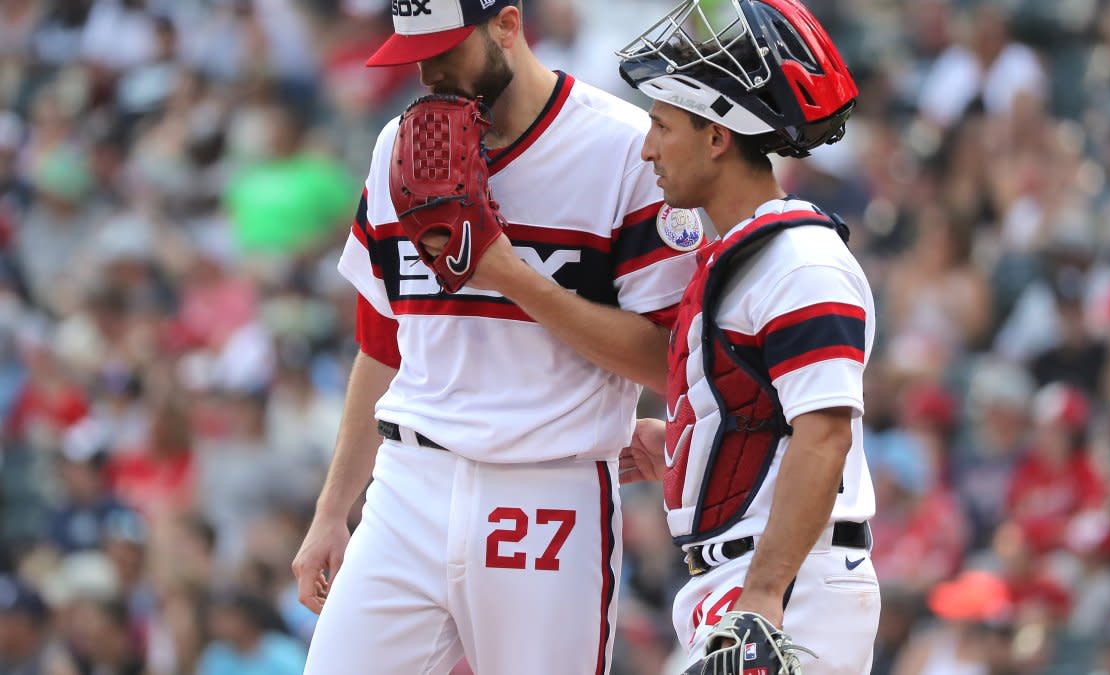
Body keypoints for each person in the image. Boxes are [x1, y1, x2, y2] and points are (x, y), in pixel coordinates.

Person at [291, 1, 702, 673]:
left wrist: (509, 274)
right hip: (406, 483)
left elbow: (669, 360)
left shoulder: (625, 149)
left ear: (507, 26)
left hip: (545, 491)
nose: (428, 73)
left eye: (446, 51)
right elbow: (382, 341)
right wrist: (333, 509)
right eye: (416, 54)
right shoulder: (400, 146)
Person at [615, 0, 881, 672]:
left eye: (662, 125)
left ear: (717, 137)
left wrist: (762, 598)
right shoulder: (748, 252)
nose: (648, 146)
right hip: (749, 581)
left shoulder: (801, 260)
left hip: (789, 586)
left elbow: (825, 435)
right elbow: (767, 422)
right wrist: (682, 451)